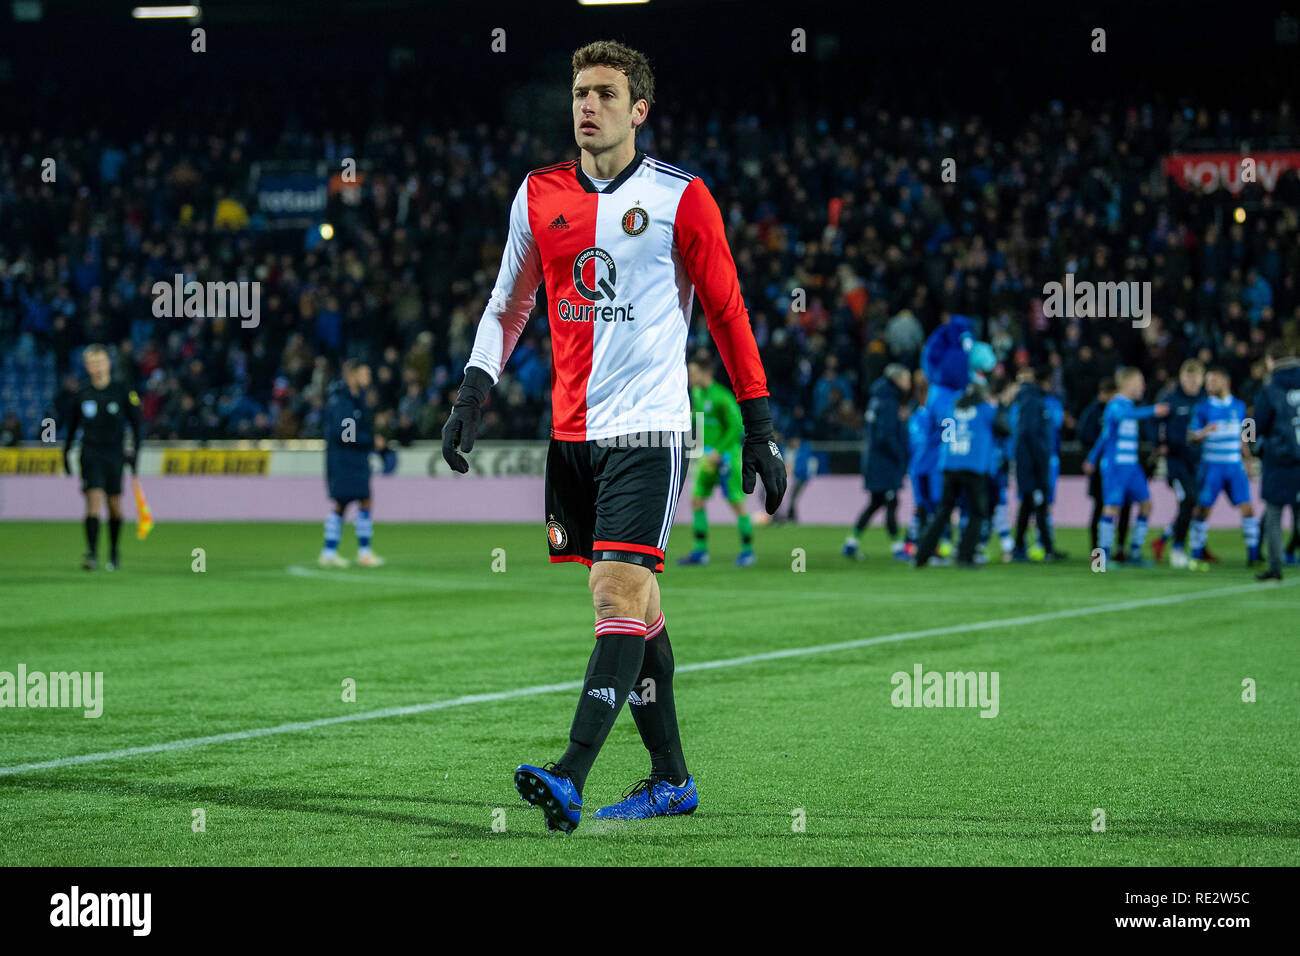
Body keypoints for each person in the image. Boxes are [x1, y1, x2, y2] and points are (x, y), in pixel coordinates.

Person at [440, 40, 785, 833]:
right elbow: (508, 304)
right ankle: (671, 779)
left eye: (603, 93)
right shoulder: (538, 196)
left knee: (615, 592)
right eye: (577, 93)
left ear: (638, 111)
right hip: (572, 436)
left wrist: (757, 428)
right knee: (641, 610)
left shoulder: (682, 198)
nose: (585, 106)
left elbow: (729, 314)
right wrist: (472, 390)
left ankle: (571, 773)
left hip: (651, 429)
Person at [914, 382, 1010, 569]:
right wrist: (999, 407)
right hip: (973, 467)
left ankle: (921, 555)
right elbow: (1005, 430)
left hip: (949, 465)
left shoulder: (952, 409)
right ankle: (965, 556)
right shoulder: (985, 410)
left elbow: (945, 435)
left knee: (944, 512)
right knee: (977, 513)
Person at [62, 345, 141, 571]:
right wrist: (66, 453)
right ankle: (92, 554)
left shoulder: (123, 391)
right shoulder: (82, 393)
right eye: (92, 363)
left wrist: (135, 455)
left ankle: (114, 552)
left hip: (114, 454)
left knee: (114, 505)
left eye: (100, 362)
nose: (96, 367)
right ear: (87, 366)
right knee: (93, 501)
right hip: (90, 453)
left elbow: (137, 426)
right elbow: (72, 427)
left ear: (108, 363)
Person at [1083, 367, 1169, 568]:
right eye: (1139, 382)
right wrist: (1152, 410)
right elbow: (1122, 419)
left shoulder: (1130, 406)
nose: (1142, 387)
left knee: (1147, 505)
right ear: (1127, 383)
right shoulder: (1115, 406)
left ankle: (1135, 552)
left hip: (1132, 467)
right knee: (1111, 508)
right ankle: (1101, 557)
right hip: (1115, 466)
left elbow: (1105, 435)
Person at [678, 355, 755, 567]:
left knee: (736, 503)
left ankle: (748, 551)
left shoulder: (722, 397)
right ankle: (700, 552)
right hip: (706, 458)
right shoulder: (696, 394)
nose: (690, 376)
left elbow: (736, 428)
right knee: (697, 500)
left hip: (727, 457)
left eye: (693, 372)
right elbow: (697, 419)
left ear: (705, 373)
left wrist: (719, 452)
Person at [1187, 367, 1260, 567]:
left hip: (1234, 466)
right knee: (1202, 510)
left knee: (1248, 509)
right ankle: (1196, 553)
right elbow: (1191, 435)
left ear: (1225, 382)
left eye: (1213, 381)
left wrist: (1248, 461)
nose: (1209, 385)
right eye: (1208, 382)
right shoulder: (1202, 407)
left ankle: (1254, 556)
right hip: (1212, 466)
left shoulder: (1240, 407)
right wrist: (1203, 432)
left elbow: (1245, 437)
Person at [319, 359, 386, 568]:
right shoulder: (342, 400)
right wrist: (370, 441)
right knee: (351, 502)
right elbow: (344, 433)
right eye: (364, 374)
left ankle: (330, 551)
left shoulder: (357, 399)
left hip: (354, 459)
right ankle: (360, 552)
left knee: (351, 503)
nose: (368, 378)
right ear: (352, 376)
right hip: (344, 461)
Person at [843, 364, 910, 561]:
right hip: (885, 463)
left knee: (876, 503)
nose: (908, 383)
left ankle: (851, 543)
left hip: (874, 460)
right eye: (906, 379)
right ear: (897, 380)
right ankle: (898, 547)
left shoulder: (876, 398)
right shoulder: (889, 402)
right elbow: (885, 436)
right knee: (891, 502)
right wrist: (901, 455)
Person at [1254, 343, 1300, 580]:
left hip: (1280, 459)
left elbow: (1256, 424)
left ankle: (1275, 568)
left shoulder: (1271, 388)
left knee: (1274, 513)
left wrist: (1251, 445)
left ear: (1272, 360)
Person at [1011, 365, 1066, 561]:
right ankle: (1041, 547)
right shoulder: (1033, 401)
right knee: (1037, 503)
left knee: (1029, 505)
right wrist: (1039, 462)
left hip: (1029, 461)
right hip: (1033, 462)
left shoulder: (1030, 399)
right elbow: (1030, 434)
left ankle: (1024, 547)